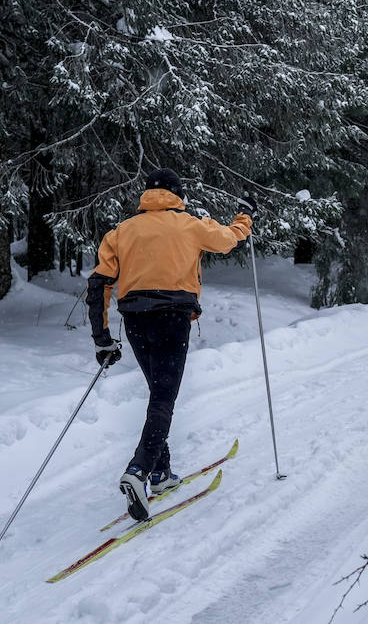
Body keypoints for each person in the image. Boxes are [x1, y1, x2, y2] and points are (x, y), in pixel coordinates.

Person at [86, 168, 253, 521]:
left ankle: (161, 473)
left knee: (157, 392)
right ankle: (139, 469)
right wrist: (245, 217)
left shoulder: (122, 232)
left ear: (147, 196)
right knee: (164, 396)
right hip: (172, 319)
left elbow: (98, 284)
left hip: (135, 320)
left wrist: (102, 339)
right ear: (178, 196)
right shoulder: (190, 224)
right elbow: (229, 239)